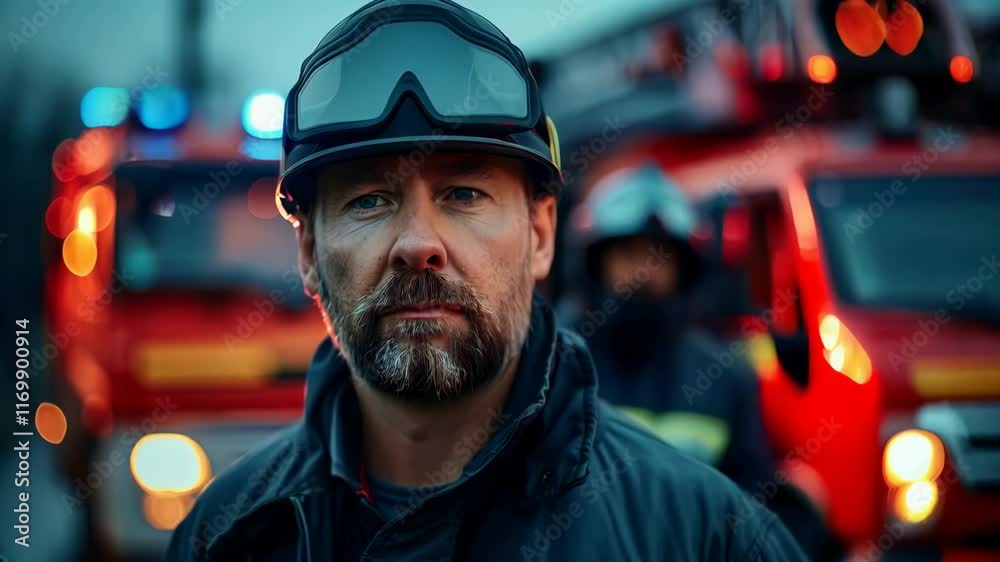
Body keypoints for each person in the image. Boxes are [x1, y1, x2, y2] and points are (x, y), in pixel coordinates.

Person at [166, 1, 808, 560]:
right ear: (307, 249)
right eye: (367, 200)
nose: (419, 245)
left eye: (464, 194)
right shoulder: (223, 537)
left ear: (540, 235)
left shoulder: (709, 537)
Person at [557, 164, 775, 493]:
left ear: (684, 269)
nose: (645, 273)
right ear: (594, 264)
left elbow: (749, 496)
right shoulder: (555, 361)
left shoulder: (725, 377)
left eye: (659, 257)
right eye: (628, 253)